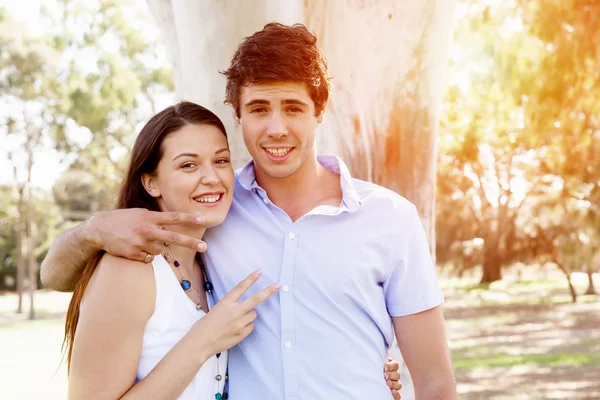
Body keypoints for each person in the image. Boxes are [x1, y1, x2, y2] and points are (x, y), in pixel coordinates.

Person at [43, 23, 454, 398]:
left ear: (319, 113)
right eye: (258, 109)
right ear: (238, 115)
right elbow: (57, 277)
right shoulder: (212, 213)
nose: (276, 127)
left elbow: (435, 380)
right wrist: (92, 231)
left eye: (293, 108)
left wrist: (365, 369)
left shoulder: (390, 219)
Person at [59, 102, 402, 399]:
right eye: (188, 165)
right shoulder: (131, 271)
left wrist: (367, 370)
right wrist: (204, 341)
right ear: (151, 182)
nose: (212, 178)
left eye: (221, 161)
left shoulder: (210, 262)